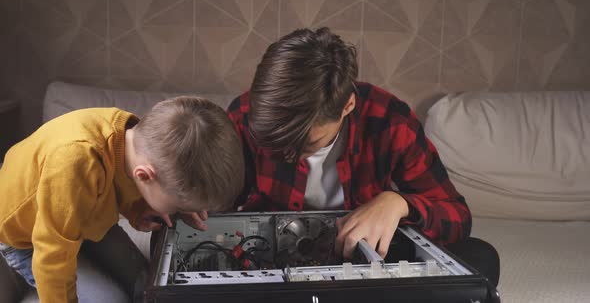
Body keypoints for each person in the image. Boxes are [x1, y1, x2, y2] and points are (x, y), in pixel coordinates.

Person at [227, 27, 499, 285]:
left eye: (305, 143)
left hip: (360, 267)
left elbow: (458, 217)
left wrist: (397, 203)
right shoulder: (246, 115)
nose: (288, 154)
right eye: (276, 142)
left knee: (479, 258)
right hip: (270, 267)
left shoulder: (389, 119)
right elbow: (217, 207)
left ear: (348, 106)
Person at [0, 96, 245, 302]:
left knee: (144, 283)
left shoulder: (136, 139)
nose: (179, 210)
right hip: (30, 237)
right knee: (111, 299)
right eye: (178, 205)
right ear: (146, 176)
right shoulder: (73, 163)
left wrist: (137, 208)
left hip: (87, 217)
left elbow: (119, 180)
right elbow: (52, 257)